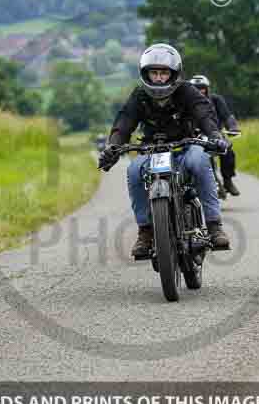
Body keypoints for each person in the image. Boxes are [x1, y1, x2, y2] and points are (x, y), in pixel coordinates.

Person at [98, 43, 232, 257]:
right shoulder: (140, 96)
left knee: (200, 162)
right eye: (154, 73)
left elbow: (204, 113)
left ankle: (214, 226)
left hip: (187, 146)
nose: (159, 78)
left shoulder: (187, 91)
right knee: (133, 170)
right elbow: (124, 122)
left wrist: (215, 135)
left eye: (163, 73)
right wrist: (112, 147)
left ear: (174, 73)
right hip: (153, 151)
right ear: (146, 74)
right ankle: (145, 232)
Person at [189, 74, 241, 196]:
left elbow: (227, 116)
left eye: (202, 88)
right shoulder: (186, 102)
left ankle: (227, 181)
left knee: (228, 151)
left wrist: (232, 127)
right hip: (193, 136)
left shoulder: (216, 100)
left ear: (207, 88)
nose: (199, 91)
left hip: (215, 134)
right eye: (195, 88)